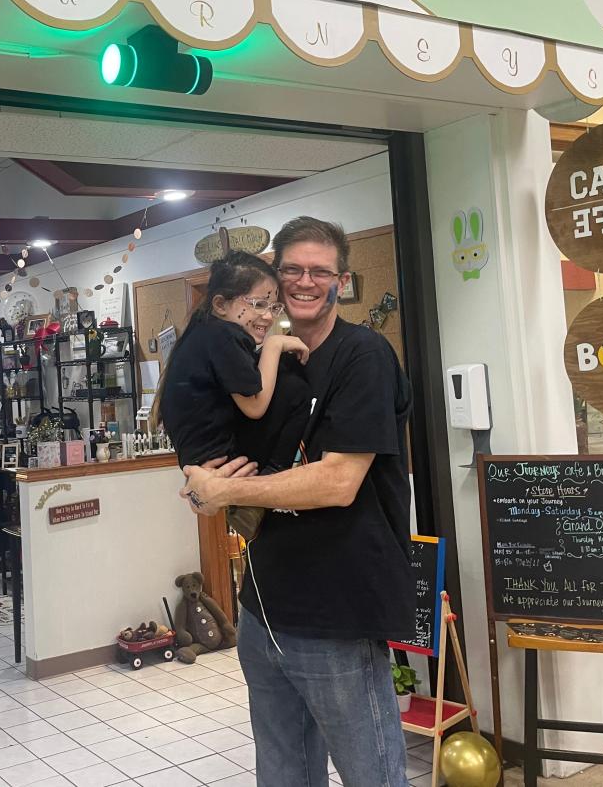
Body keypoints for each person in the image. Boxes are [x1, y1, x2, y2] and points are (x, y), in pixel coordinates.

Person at [181, 216, 413, 787]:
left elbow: (338, 482)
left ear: (341, 279)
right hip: (263, 609)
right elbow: (230, 456)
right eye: (292, 270)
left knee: (372, 775)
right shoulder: (268, 362)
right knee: (284, 773)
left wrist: (228, 490)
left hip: (335, 612)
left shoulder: (364, 357)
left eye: (320, 271)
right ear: (274, 277)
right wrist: (204, 482)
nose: (305, 282)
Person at [156, 250, 310, 538]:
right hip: (224, 458)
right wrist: (276, 345)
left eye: (273, 307)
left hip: (200, 459)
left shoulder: (201, 333)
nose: (267, 316)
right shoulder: (225, 335)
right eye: (258, 304)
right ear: (220, 304)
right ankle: (271, 476)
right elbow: (255, 407)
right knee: (294, 382)